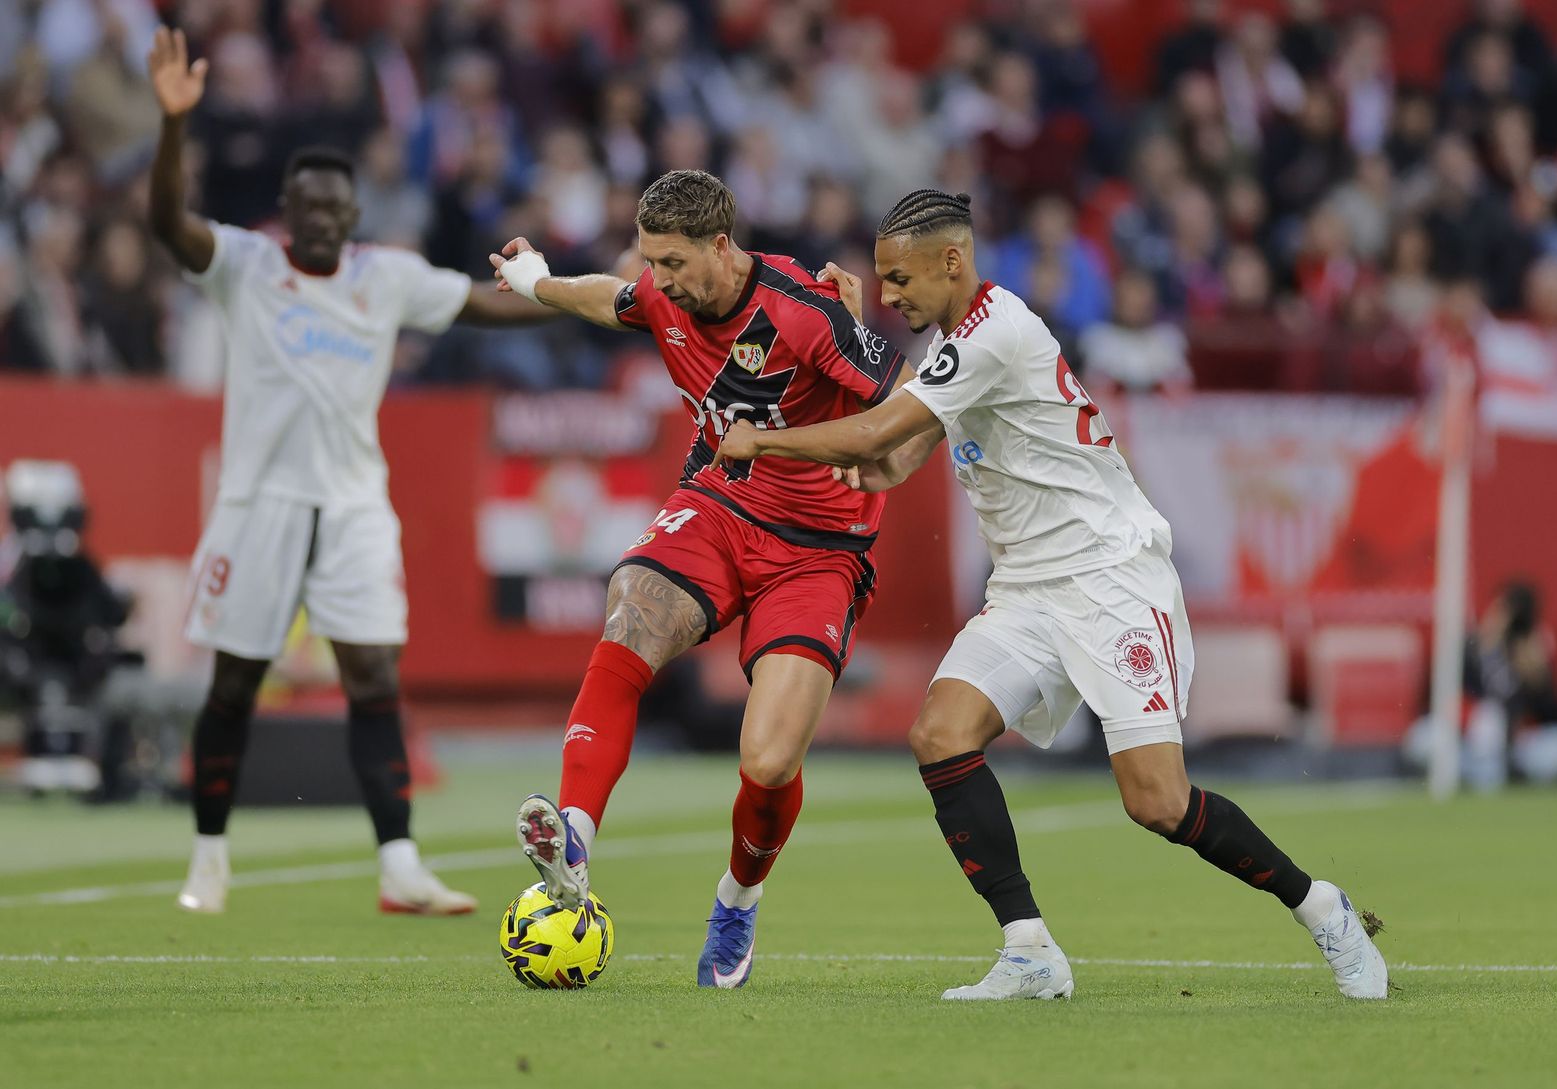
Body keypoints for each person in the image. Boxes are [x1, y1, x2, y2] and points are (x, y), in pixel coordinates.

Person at [714, 189, 1389, 1001]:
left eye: (900, 279)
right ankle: (1029, 948)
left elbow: (873, 435)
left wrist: (765, 438)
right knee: (940, 733)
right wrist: (854, 408)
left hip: (1110, 579)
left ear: (953, 261)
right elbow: (889, 458)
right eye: (882, 282)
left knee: (1157, 800)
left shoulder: (996, 331)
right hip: (1029, 588)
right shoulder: (952, 350)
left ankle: (1323, 909)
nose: (891, 295)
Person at [147, 28, 559, 916]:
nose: (324, 220)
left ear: (354, 213)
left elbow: (486, 308)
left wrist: (587, 291)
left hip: (353, 505)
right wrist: (174, 128)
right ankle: (209, 857)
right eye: (309, 207)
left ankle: (400, 864)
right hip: (259, 504)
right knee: (234, 683)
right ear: (288, 211)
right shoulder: (246, 266)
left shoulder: (389, 278)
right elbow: (165, 227)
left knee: (373, 676)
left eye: (338, 208)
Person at [490, 168, 904, 988]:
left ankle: (738, 900)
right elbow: (605, 297)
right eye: (653, 260)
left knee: (770, 759)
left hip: (820, 546)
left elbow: (901, 412)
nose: (663, 280)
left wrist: (873, 457)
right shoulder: (662, 293)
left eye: (674, 262)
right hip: (718, 505)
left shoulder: (805, 308)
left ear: (722, 244)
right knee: (629, 619)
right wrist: (535, 279)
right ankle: (573, 835)